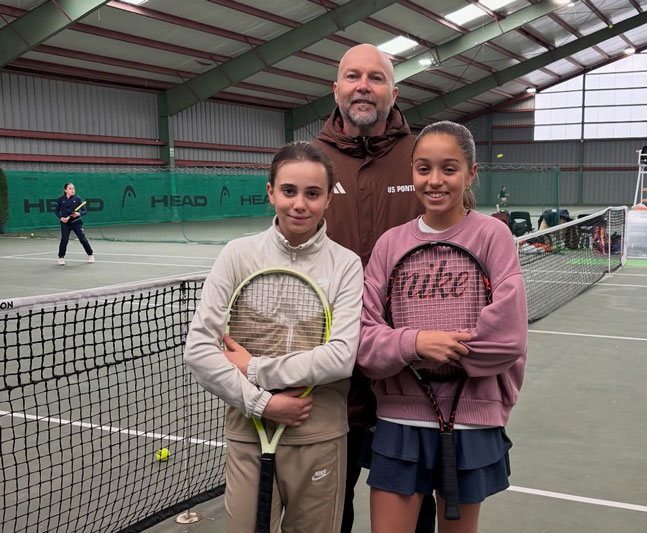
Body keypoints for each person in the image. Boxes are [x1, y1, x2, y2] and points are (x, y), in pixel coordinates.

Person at [183, 141, 364, 533]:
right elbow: (199, 349)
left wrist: (256, 368)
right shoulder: (236, 254)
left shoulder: (346, 264)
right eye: (289, 191)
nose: (300, 204)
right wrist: (262, 404)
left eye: (313, 194)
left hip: (320, 436)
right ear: (270, 192)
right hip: (249, 433)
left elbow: (341, 358)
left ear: (329, 198)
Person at [357, 121, 528, 533]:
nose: (435, 181)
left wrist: (440, 351)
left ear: (470, 173)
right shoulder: (389, 245)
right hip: (400, 420)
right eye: (423, 168)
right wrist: (416, 343)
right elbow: (364, 340)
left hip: (472, 420)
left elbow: (508, 339)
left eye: (449, 169)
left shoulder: (493, 237)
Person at [312, 43, 429, 533]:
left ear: (394, 91)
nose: (364, 86)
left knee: (410, 512)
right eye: (353, 76)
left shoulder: (422, 157)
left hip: (408, 374)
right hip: (328, 376)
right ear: (336, 88)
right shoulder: (309, 160)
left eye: (376, 77)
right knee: (327, 509)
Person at [55, 183, 94, 265]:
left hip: (76, 223)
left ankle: (90, 254)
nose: (72, 190)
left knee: (82, 239)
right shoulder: (61, 199)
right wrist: (61, 218)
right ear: (65, 190)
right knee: (64, 240)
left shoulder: (78, 199)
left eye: (73, 188)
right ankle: (61, 257)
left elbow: (84, 211)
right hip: (65, 223)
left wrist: (79, 214)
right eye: (70, 188)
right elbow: (56, 211)